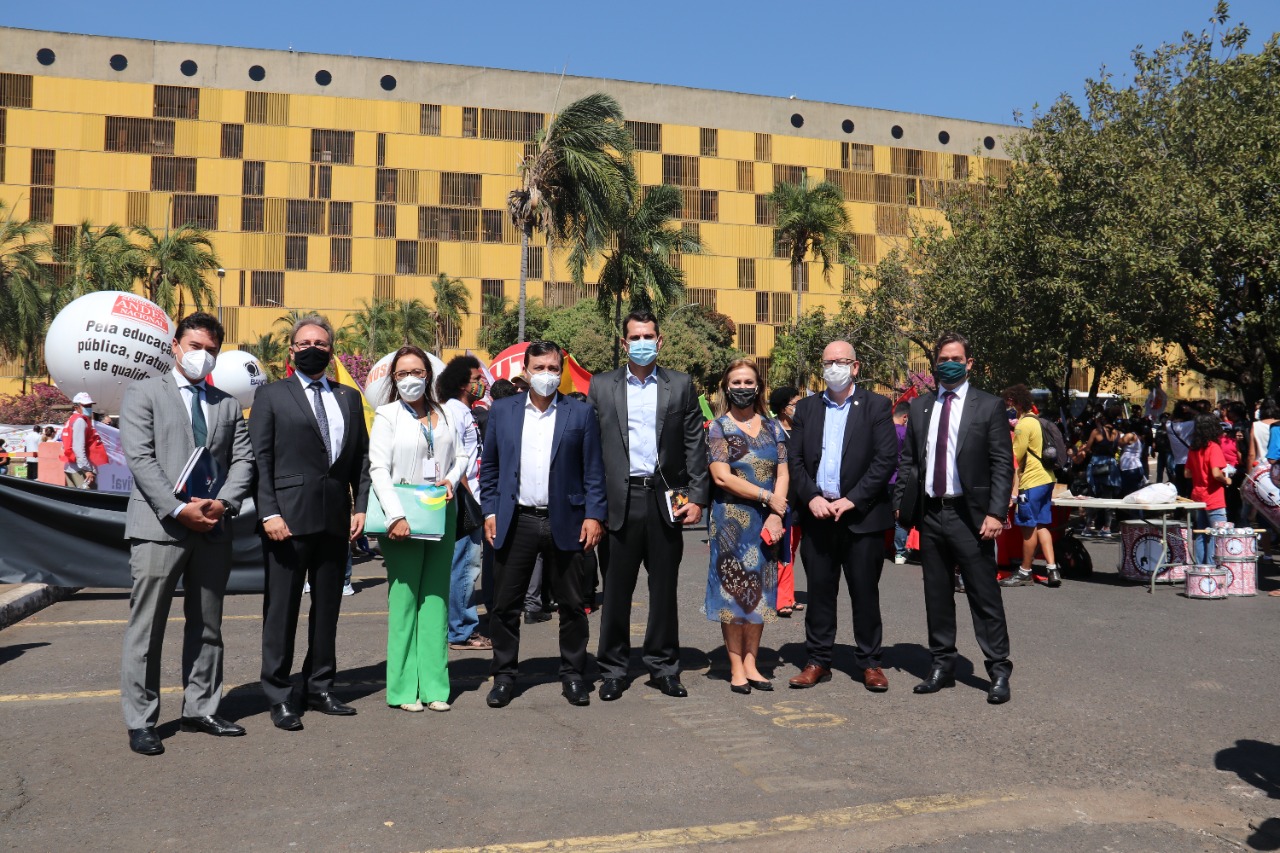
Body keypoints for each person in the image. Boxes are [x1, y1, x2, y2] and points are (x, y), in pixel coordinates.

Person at [118, 312, 255, 756]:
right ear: (175, 346)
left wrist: (224, 503)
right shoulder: (143, 393)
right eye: (195, 346)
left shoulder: (227, 404)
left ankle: (202, 709)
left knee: (208, 624)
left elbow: (243, 461)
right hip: (160, 527)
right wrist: (179, 508)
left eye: (211, 350)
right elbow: (140, 458)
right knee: (147, 628)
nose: (203, 355)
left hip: (213, 526)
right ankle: (142, 720)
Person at [248, 314, 371, 732]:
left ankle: (319, 686)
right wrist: (268, 512)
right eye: (304, 343)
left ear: (331, 350)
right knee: (281, 611)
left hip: (335, 520)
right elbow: (260, 458)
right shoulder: (271, 395)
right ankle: (279, 694)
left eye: (320, 343)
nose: (312, 349)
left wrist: (360, 506)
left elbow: (360, 457)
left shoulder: (348, 397)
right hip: (286, 520)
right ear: (292, 350)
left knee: (328, 609)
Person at [589, 310, 709, 701]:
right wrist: (592, 508)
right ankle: (613, 669)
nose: (642, 343)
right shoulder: (601, 385)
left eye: (648, 337)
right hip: (619, 502)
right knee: (615, 591)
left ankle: (663, 667)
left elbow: (694, 443)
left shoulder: (680, 385)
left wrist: (697, 497)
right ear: (624, 343)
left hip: (665, 501)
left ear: (660, 341)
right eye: (635, 337)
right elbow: (592, 449)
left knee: (664, 590)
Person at [480, 342, 606, 708]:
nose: (546, 374)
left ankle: (573, 674)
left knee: (573, 605)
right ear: (525, 370)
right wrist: (490, 511)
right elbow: (490, 468)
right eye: (539, 368)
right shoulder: (503, 411)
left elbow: (593, 471)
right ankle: (504, 676)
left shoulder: (579, 413)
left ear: (561, 371)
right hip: (516, 520)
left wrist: (594, 515)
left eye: (553, 368)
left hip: (566, 520)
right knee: (505, 605)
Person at [895, 332, 1014, 704]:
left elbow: (1002, 463)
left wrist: (996, 512)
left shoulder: (988, 406)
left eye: (956, 359)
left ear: (969, 363)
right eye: (943, 359)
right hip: (931, 514)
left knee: (984, 596)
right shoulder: (921, 407)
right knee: (937, 594)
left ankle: (998, 670)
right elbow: (909, 461)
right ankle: (942, 664)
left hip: (972, 516)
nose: (949, 364)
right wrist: (901, 503)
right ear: (934, 364)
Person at [786, 341, 898, 692]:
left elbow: (885, 460)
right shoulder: (807, 408)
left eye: (841, 361)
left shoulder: (877, 406)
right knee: (820, 593)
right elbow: (794, 460)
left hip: (861, 517)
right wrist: (811, 497)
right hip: (818, 516)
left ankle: (871, 663)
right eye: (828, 362)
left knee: (865, 593)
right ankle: (818, 660)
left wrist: (853, 499)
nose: (833, 368)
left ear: (855, 367)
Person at [369, 346, 463, 713]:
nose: (411, 379)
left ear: (428, 375)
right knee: (405, 599)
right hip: (402, 514)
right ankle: (403, 688)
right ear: (394, 379)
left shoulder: (447, 412)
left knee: (436, 598)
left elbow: (463, 454)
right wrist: (395, 515)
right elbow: (378, 468)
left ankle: (435, 686)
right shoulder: (387, 415)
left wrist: (451, 478)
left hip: (440, 510)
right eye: (403, 373)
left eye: (417, 372)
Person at [706, 360, 789, 694]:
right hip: (731, 521)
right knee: (733, 593)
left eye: (748, 382)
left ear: (758, 387)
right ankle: (736, 666)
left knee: (760, 593)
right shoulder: (718, 428)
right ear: (727, 387)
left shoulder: (774, 428)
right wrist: (767, 497)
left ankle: (753, 663)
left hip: (767, 521)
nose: (742, 387)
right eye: (736, 382)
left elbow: (783, 473)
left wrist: (776, 513)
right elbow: (721, 477)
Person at [436, 355, 492, 652]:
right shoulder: (452, 412)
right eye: (477, 379)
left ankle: (458, 626)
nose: (482, 384)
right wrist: (471, 498)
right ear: (461, 383)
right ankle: (461, 631)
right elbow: (455, 460)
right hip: (464, 500)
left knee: (465, 565)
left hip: (472, 498)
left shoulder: (464, 411)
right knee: (465, 566)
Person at [1000, 384, 1058, 588]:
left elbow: (1014, 456)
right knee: (1041, 525)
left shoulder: (1023, 424)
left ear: (1013, 402)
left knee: (1028, 527)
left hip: (1031, 481)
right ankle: (1052, 569)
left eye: (1008, 403)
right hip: (1047, 478)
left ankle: (1025, 571)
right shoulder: (1037, 420)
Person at [767, 385, 803, 617]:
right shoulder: (771, 429)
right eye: (795, 404)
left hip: (801, 499)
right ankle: (782, 599)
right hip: (780, 498)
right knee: (782, 549)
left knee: (792, 550)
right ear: (782, 408)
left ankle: (788, 594)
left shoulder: (802, 429)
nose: (799, 408)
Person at [1187, 414, 1230, 564]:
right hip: (1214, 496)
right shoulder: (1213, 447)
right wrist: (1226, 480)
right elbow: (1216, 473)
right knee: (1217, 534)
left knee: (1201, 533)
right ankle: (1212, 567)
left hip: (1198, 495)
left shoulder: (1194, 448)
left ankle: (1200, 566)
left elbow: (1187, 473)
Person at [1081, 410, 1122, 538]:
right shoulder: (1116, 433)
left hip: (1097, 464)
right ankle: (1107, 527)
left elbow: (1088, 447)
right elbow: (1116, 448)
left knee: (1092, 496)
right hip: (1111, 466)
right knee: (1108, 498)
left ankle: (1088, 526)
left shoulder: (1096, 432)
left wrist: (1088, 449)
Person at [61, 391, 103, 489]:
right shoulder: (80, 421)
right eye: (86, 405)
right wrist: (86, 469)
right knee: (88, 497)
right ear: (76, 407)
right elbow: (78, 447)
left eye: (90, 405)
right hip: (80, 470)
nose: (89, 408)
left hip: (70, 466)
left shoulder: (72, 419)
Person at [891, 402, 911, 565]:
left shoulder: (881, 430)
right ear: (905, 417)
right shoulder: (905, 433)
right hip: (900, 478)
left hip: (881, 479)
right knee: (900, 515)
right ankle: (900, 552)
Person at [1167, 403, 1195, 497]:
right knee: (1191, 490)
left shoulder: (1169, 425)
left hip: (1178, 463)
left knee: (1180, 491)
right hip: (1190, 462)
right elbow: (1203, 419)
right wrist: (1191, 410)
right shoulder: (1190, 424)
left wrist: (1177, 409)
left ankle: (1181, 506)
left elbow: (1170, 418)